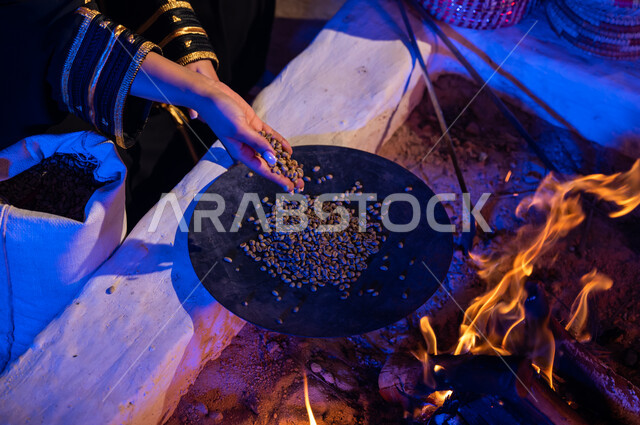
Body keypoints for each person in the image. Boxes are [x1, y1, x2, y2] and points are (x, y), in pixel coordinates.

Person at [0, 0, 302, 192]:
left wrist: (192, 59)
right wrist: (199, 91)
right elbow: (43, 28)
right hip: (46, 87)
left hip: (135, 52)